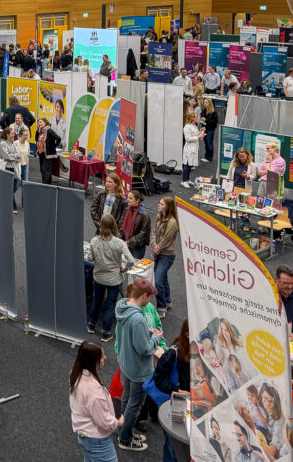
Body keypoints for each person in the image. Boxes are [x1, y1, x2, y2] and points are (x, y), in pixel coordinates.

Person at [114, 278, 163, 452]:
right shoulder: (138, 319)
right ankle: (125, 439)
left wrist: (145, 332)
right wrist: (156, 337)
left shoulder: (122, 306)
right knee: (135, 405)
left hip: (126, 364)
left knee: (127, 399)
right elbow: (144, 349)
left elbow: (133, 335)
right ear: (144, 296)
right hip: (138, 369)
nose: (150, 302)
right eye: (150, 298)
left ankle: (123, 429)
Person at [69, 341, 123, 462]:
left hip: (84, 435)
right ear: (93, 361)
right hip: (97, 440)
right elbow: (104, 422)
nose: (105, 357)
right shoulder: (94, 393)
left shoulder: (75, 373)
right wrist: (118, 422)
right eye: (102, 356)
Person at [88, 215, 136, 342]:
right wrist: (124, 269)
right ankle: (106, 332)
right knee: (110, 305)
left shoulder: (94, 241)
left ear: (101, 226)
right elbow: (131, 260)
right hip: (114, 278)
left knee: (96, 300)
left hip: (99, 277)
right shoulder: (119, 243)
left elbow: (89, 258)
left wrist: (98, 260)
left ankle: (91, 325)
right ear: (114, 225)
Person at [151, 320, 190, 462]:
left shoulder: (200, 351)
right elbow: (158, 379)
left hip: (191, 402)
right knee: (173, 445)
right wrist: (177, 390)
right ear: (187, 334)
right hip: (176, 403)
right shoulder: (173, 353)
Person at [151, 196, 178, 315]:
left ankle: (161, 307)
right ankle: (167, 301)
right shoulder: (159, 216)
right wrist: (153, 243)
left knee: (158, 280)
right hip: (159, 252)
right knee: (163, 278)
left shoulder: (172, 222)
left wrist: (156, 249)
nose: (158, 205)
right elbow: (154, 232)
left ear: (168, 207)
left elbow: (167, 239)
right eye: (159, 203)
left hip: (167, 255)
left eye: (161, 204)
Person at [0, 126, 23, 212]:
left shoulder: (13, 144)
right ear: (7, 134)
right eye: (12, 134)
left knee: (12, 187)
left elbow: (18, 155)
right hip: (6, 168)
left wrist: (14, 156)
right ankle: (13, 207)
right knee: (9, 188)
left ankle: (2, 202)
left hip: (13, 168)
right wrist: (15, 156)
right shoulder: (2, 144)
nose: (14, 135)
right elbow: (6, 157)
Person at [119, 190, 151, 259]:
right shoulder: (127, 209)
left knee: (133, 267)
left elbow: (143, 233)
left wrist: (129, 242)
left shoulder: (144, 215)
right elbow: (121, 225)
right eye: (128, 198)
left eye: (130, 198)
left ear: (137, 200)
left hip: (137, 247)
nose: (128, 200)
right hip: (125, 242)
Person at [181, 113, 204, 188]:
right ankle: (183, 181)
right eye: (196, 117)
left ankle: (187, 180)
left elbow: (198, 136)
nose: (197, 118)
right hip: (189, 149)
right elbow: (187, 139)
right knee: (187, 165)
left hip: (194, 148)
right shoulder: (187, 127)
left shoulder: (194, 126)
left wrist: (201, 132)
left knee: (190, 165)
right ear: (192, 118)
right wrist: (198, 137)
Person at [35, 118, 60, 184]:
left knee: (45, 169)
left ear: (45, 123)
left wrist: (53, 146)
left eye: (41, 122)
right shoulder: (40, 131)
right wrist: (38, 130)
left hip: (48, 153)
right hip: (41, 152)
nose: (39, 124)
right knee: (43, 169)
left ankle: (45, 184)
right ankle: (47, 183)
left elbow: (58, 138)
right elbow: (36, 139)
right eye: (39, 122)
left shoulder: (49, 130)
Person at [199, 97, 218, 162]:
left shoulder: (213, 112)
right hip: (204, 129)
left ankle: (209, 157)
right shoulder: (204, 111)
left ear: (210, 103)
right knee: (206, 143)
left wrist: (206, 120)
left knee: (210, 144)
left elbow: (214, 123)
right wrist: (202, 125)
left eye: (206, 102)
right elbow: (203, 120)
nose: (205, 103)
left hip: (210, 130)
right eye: (204, 102)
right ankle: (206, 156)